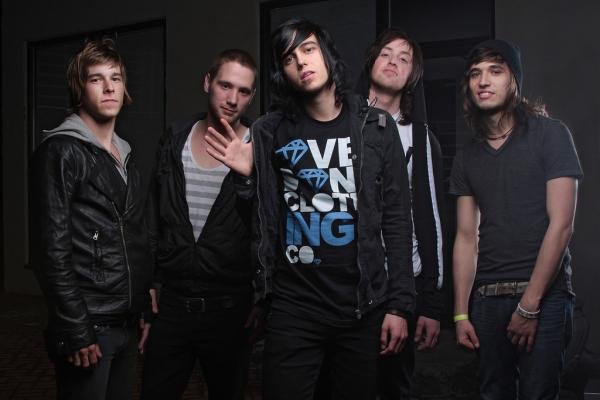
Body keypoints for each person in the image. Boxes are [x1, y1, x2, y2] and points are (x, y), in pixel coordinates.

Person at [206, 18, 414, 400]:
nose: (301, 61)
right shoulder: (269, 131)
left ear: (327, 54)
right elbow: (258, 223)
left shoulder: (376, 127)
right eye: (289, 58)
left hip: (360, 309)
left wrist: (400, 306)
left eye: (308, 49)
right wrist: (247, 178)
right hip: (294, 309)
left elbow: (398, 221)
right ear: (282, 73)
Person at [450, 39, 583, 399]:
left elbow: (562, 226)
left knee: (538, 393)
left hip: (544, 297)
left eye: (495, 71)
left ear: (514, 80)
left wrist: (529, 306)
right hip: (487, 300)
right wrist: (461, 314)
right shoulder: (466, 156)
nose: (483, 81)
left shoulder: (551, 134)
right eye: (475, 73)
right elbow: (466, 237)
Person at [30, 38, 153, 400]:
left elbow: (132, 235)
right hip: (89, 325)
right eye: (96, 79)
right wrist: (75, 327)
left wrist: (141, 304)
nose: (109, 87)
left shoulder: (124, 153)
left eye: (116, 78)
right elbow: (50, 251)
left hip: (125, 321)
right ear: (79, 89)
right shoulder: (60, 151)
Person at [140, 49, 261, 400]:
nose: (232, 99)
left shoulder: (258, 146)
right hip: (173, 305)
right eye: (225, 85)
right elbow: (153, 215)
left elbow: (270, 227)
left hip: (230, 308)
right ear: (208, 82)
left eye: (243, 91)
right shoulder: (175, 138)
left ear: (251, 96)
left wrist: (263, 297)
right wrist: (148, 282)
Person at [356, 28, 446, 399]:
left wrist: (431, 302)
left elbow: (432, 219)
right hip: (347, 282)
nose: (393, 62)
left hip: (400, 282)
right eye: (386, 54)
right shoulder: (340, 122)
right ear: (371, 62)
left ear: (413, 76)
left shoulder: (421, 138)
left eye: (404, 58)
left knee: (395, 386)